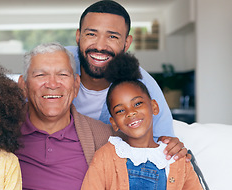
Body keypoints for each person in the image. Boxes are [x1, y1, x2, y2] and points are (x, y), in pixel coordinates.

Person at [16, 42, 189, 190]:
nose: (52, 83)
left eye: (62, 75)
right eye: (40, 75)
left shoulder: (106, 139)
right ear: (24, 85)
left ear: (75, 85)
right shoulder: (0, 134)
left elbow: (173, 182)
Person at [64, 53, 226, 190]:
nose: (131, 113)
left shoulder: (175, 157)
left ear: (154, 107)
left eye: (138, 104)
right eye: (120, 110)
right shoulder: (107, 155)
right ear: (114, 122)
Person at [65, 0, 175, 143]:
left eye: (112, 37)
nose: (100, 46)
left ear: (127, 43)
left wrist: (170, 145)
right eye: (91, 34)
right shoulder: (56, 63)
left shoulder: (141, 84)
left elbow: (161, 140)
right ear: (78, 37)